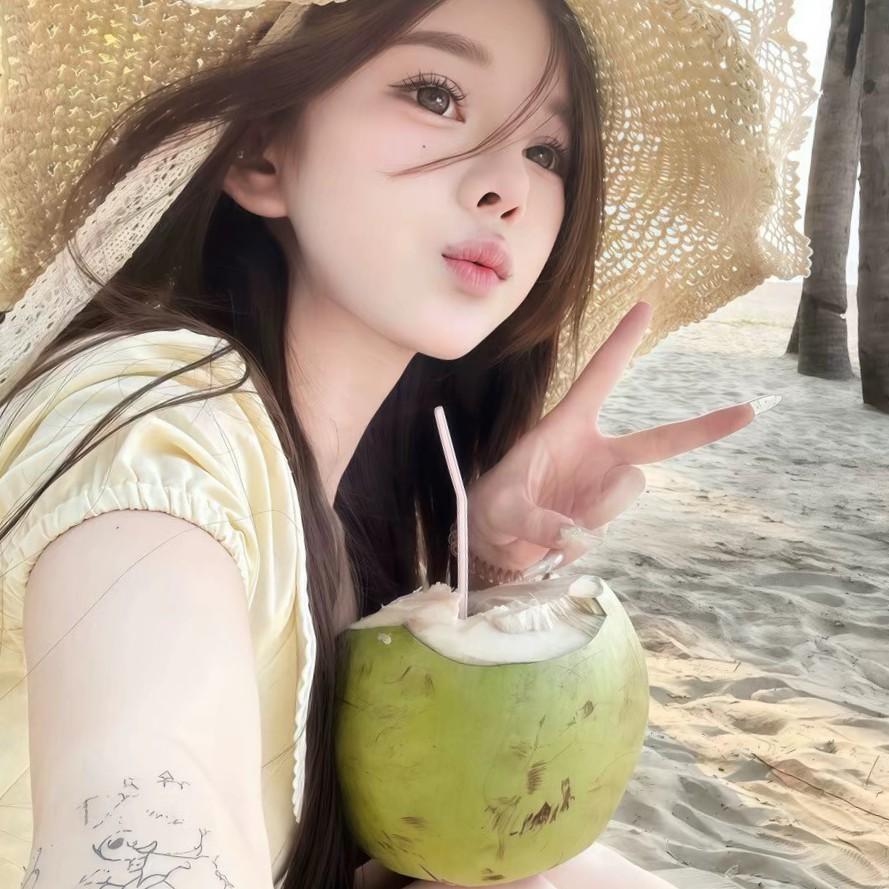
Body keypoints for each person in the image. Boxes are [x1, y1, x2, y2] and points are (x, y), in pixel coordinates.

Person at [0, 1, 814, 888]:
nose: (508, 186)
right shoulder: (158, 419)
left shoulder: (345, 507)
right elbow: (144, 792)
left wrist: (483, 576)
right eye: (434, 95)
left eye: (547, 152)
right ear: (260, 154)